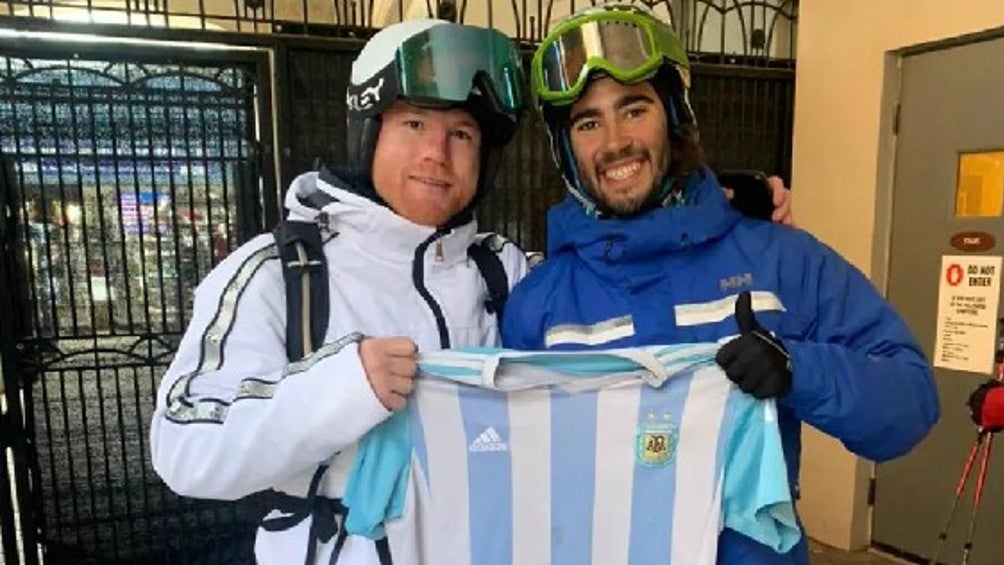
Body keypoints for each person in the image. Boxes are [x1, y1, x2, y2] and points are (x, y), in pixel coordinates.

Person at [501, 4, 940, 564]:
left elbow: (910, 403)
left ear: (676, 117)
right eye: (588, 122)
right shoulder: (538, 303)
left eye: (634, 109)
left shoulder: (779, 259)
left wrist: (798, 369)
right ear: (566, 149)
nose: (614, 141)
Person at [149, 19, 531, 565]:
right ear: (369, 133)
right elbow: (184, 447)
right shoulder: (278, 271)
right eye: (414, 123)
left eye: (462, 135)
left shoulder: (504, 269)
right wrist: (340, 387)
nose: (437, 154)